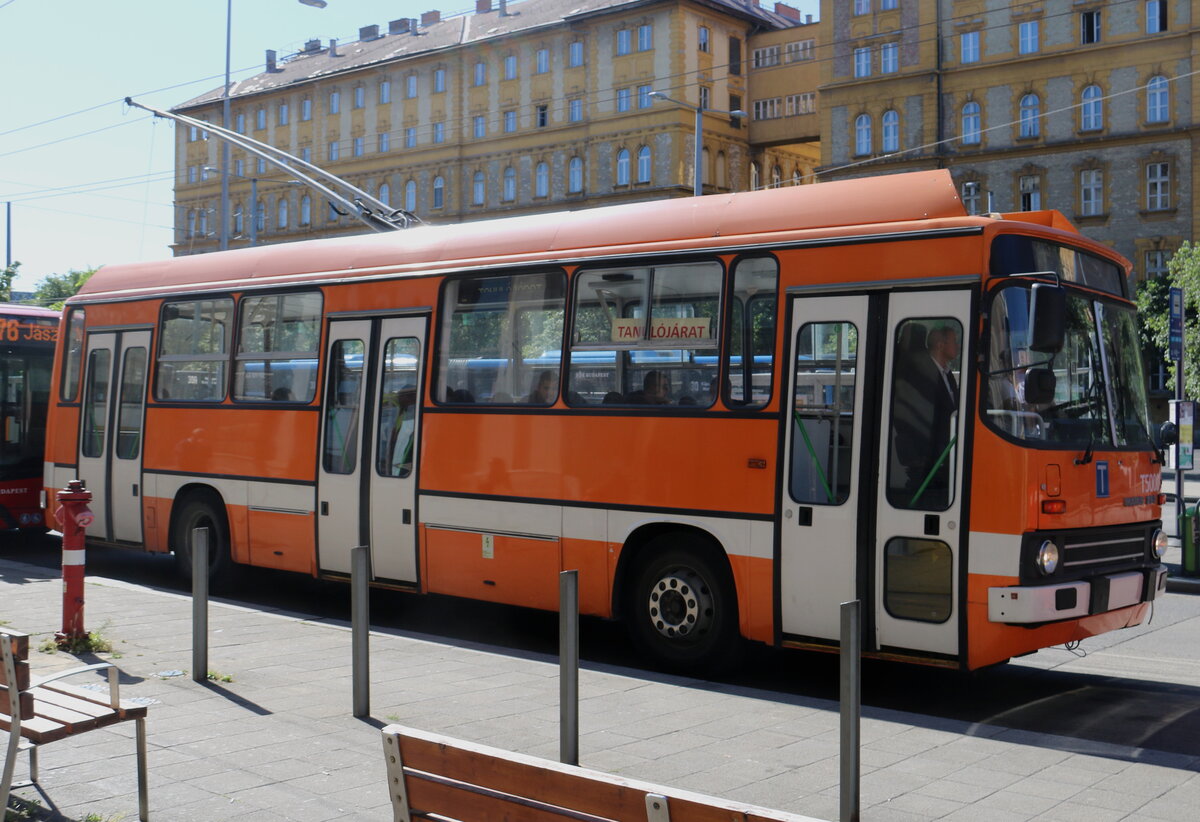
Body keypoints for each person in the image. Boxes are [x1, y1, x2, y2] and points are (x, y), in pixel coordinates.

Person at [891, 324, 959, 509]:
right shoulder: (919, 374)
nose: (958, 346)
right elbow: (918, 416)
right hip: (928, 455)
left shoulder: (947, 374)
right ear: (940, 344)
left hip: (945, 451)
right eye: (954, 341)